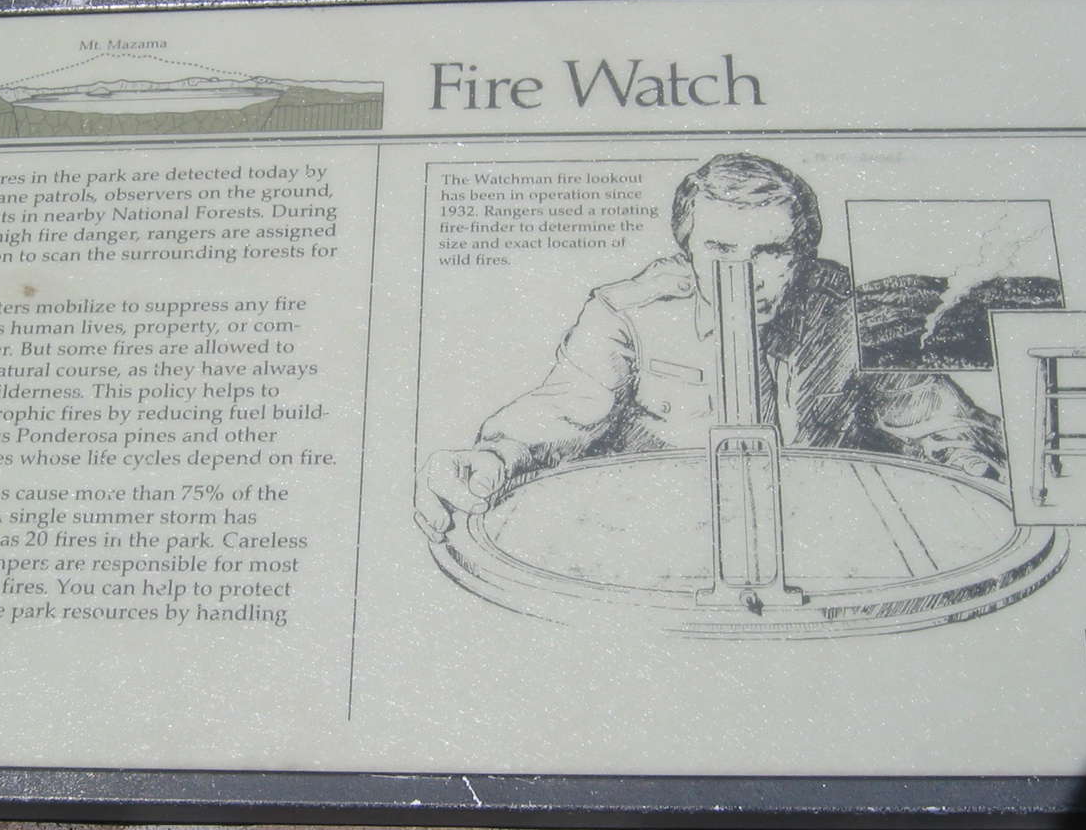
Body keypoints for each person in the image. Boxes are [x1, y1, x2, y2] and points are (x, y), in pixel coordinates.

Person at [415, 153, 1005, 541]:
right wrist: (496, 457)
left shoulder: (844, 310)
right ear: (686, 248)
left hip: (821, 535)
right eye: (721, 250)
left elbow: (939, 419)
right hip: (658, 535)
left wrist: (970, 466)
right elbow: (563, 409)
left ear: (804, 253)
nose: (746, 276)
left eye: (771, 252)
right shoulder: (628, 313)